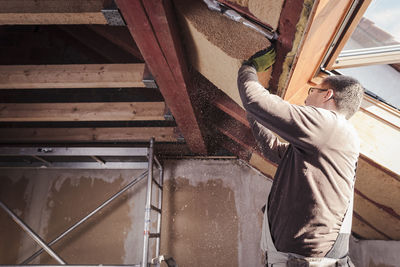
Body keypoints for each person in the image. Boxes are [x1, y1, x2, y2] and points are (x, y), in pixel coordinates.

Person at [237, 47, 364, 266]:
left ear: (328, 94)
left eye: (311, 91)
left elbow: (254, 100)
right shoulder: (330, 138)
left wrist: (249, 69)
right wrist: (257, 113)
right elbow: (273, 149)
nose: (306, 99)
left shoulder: (328, 124)